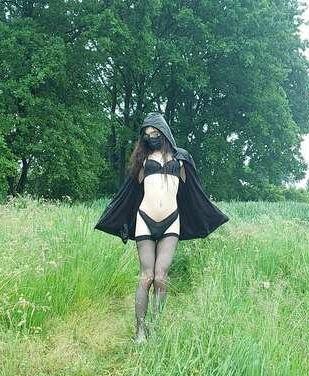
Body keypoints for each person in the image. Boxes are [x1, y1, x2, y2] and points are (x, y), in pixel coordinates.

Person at [94, 112, 229, 343]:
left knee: (160, 277)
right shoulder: (142, 159)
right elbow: (131, 190)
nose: (151, 137)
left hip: (171, 221)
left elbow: (192, 190)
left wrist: (203, 215)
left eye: (155, 133)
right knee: (146, 277)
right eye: (147, 134)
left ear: (164, 132)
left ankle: (156, 329)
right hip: (145, 220)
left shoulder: (181, 158)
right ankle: (140, 331)